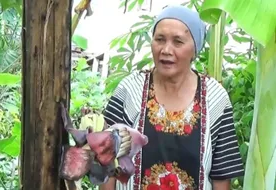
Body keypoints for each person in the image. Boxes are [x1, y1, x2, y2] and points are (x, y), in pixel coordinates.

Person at [100, 5, 244, 190]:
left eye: (178, 42)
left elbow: (221, 175)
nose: (166, 50)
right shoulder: (130, 89)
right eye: (160, 39)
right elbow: (106, 159)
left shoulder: (215, 98)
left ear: (195, 49)